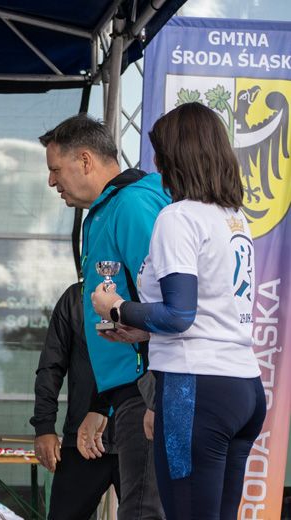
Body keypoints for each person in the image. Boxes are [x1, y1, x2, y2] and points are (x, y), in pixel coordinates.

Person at [91, 102, 265, 519]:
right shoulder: (233, 217)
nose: (156, 164)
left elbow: (179, 315)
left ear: (176, 157)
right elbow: (208, 314)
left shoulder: (179, 217)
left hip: (196, 389)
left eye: (160, 153)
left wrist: (116, 307)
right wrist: (143, 334)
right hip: (242, 387)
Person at [39, 113, 169, 519]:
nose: (51, 182)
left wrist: (151, 394)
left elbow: (171, 299)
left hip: (148, 389)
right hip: (122, 395)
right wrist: (103, 403)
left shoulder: (132, 204)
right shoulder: (104, 210)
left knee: (144, 510)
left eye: (55, 169)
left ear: (84, 160)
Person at [30, 282, 120, 519]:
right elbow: (51, 366)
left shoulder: (146, 291)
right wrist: (44, 426)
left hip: (138, 438)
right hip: (82, 440)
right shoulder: (75, 297)